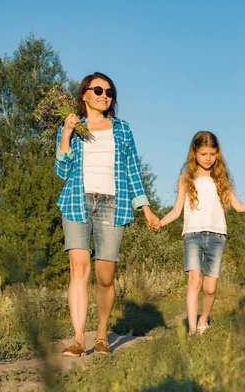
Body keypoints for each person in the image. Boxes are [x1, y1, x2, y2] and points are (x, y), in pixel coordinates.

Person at [55, 72, 160, 356]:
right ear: (84, 95)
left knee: (105, 276)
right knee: (79, 268)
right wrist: (65, 133)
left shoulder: (122, 129)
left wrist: (146, 210)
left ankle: (101, 334)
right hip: (77, 200)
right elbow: (62, 172)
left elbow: (133, 172)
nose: (104, 95)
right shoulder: (73, 128)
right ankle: (78, 339)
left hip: (114, 204)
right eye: (98, 90)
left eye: (109, 92)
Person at [158, 131, 245, 335]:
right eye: (203, 154)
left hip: (217, 236)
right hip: (192, 235)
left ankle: (203, 319)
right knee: (194, 281)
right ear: (194, 153)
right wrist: (160, 223)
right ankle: (192, 330)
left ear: (217, 153)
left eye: (212, 153)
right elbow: (176, 211)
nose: (208, 158)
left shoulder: (221, 179)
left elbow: (238, 206)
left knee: (209, 288)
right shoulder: (186, 178)